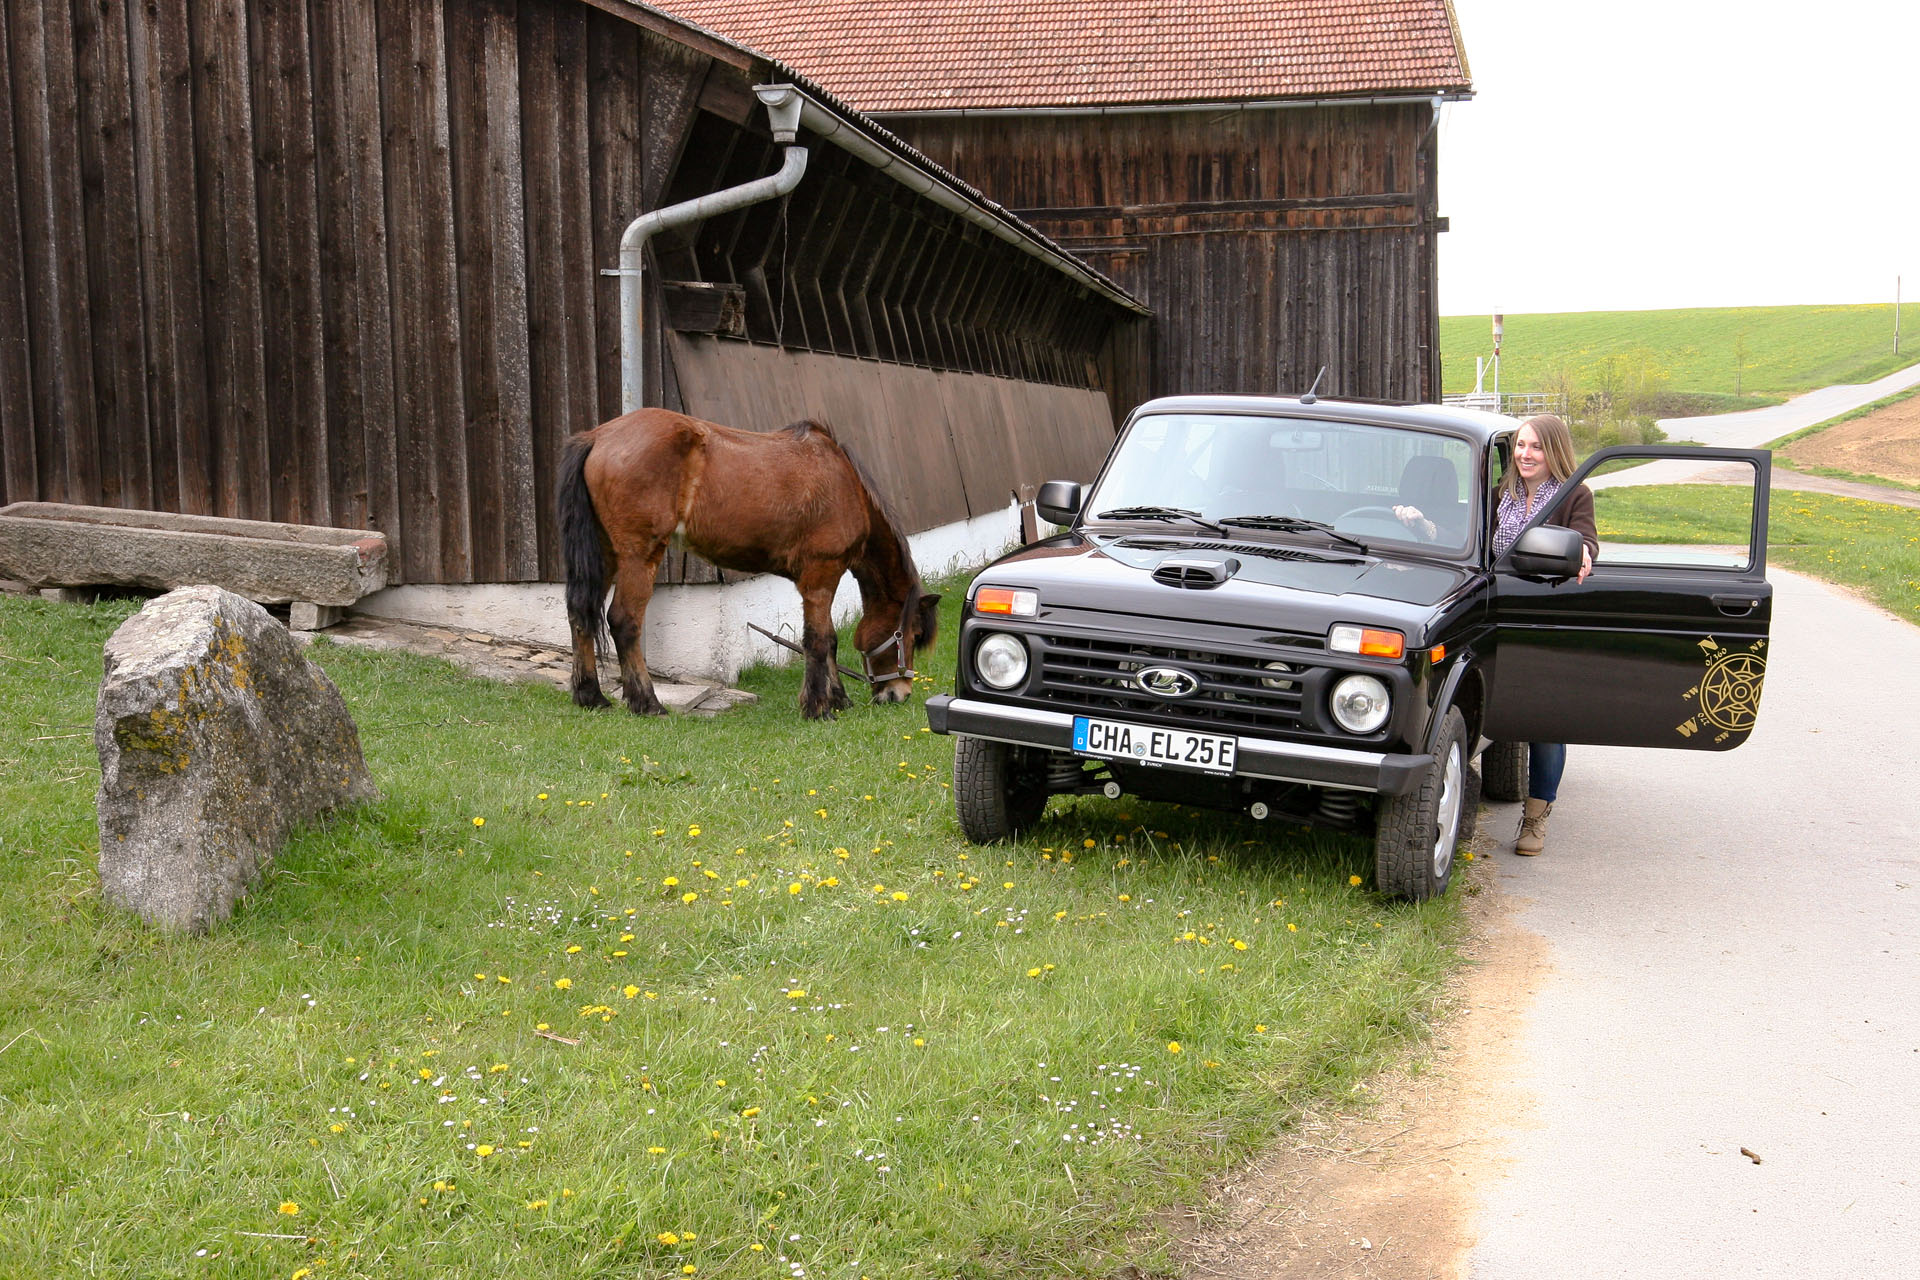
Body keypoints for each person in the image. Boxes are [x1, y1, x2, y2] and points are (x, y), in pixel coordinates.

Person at [1490, 414, 1597, 856]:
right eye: (1520, 446)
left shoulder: (1575, 495)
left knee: (1545, 720)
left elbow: (1587, 541)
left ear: (1553, 451)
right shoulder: (1502, 491)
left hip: (1545, 614)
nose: (1525, 455)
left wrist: (1584, 553)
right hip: (1497, 610)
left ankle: (1535, 818)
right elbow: (1480, 541)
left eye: (1535, 447)